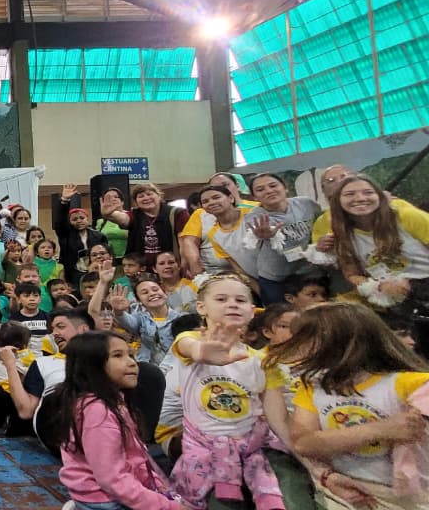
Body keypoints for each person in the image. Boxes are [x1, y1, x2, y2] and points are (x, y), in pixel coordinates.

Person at [268, 302, 429, 509]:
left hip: (410, 495)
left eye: (307, 337)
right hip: (345, 488)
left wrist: (333, 439)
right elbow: (304, 443)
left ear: (341, 341)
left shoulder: (413, 384)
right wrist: (380, 429)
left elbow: (413, 429)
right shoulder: (314, 387)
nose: (298, 345)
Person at [169, 274, 292, 509]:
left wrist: (310, 462)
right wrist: (200, 352)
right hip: (205, 450)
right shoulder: (190, 339)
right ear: (201, 307)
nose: (232, 304)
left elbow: (278, 419)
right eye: (221, 299)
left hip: (253, 447)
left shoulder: (263, 361)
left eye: (240, 300)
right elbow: (188, 347)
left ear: (252, 311)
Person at [55, 330, 183, 510]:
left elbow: (135, 457)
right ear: (92, 365)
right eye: (118, 355)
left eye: (130, 355)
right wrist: (167, 506)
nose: (132, 362)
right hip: (106, 501)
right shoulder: (97, 412)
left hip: (116, 492)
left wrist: (161, 491)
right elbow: (112, 479)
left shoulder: (115, 402)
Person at [328, 174, 429, 308]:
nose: (360, 198)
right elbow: (352, 274)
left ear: (380, 196)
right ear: (338, 201)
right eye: (350, 194)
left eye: (368, 192)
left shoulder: (408, 216)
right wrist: (377, 286)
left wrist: (411, 284)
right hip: (397, 301)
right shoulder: (342, 233)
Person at [0, 309, 92, 453]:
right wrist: (10, 365)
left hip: (98, 422)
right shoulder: (43, 363)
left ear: (84, 330)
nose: (54, 333)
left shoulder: (103, 360)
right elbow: (26, 411)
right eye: (52, 329)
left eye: (60, 327)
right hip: (59, 428)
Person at [245, 173, 323, 305]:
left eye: (273, 185)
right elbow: (254, 235)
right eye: (260, 189)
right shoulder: (255, 217)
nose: (268, 191)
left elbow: (321, 224)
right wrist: (266, 236)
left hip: (310, 272)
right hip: (275, 277)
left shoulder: (307, 203)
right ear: (255, 197)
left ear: (285, 188)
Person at [55, 184, 109, 287]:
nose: (79, 221)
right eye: (74, 219)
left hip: (96, 272)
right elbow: (60, 221)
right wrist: (65, 200)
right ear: (70, 222)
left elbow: (106, 254)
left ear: (87, 219)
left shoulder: (99, 236)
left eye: (82, 218)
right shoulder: (65, 235)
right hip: (74, 274)